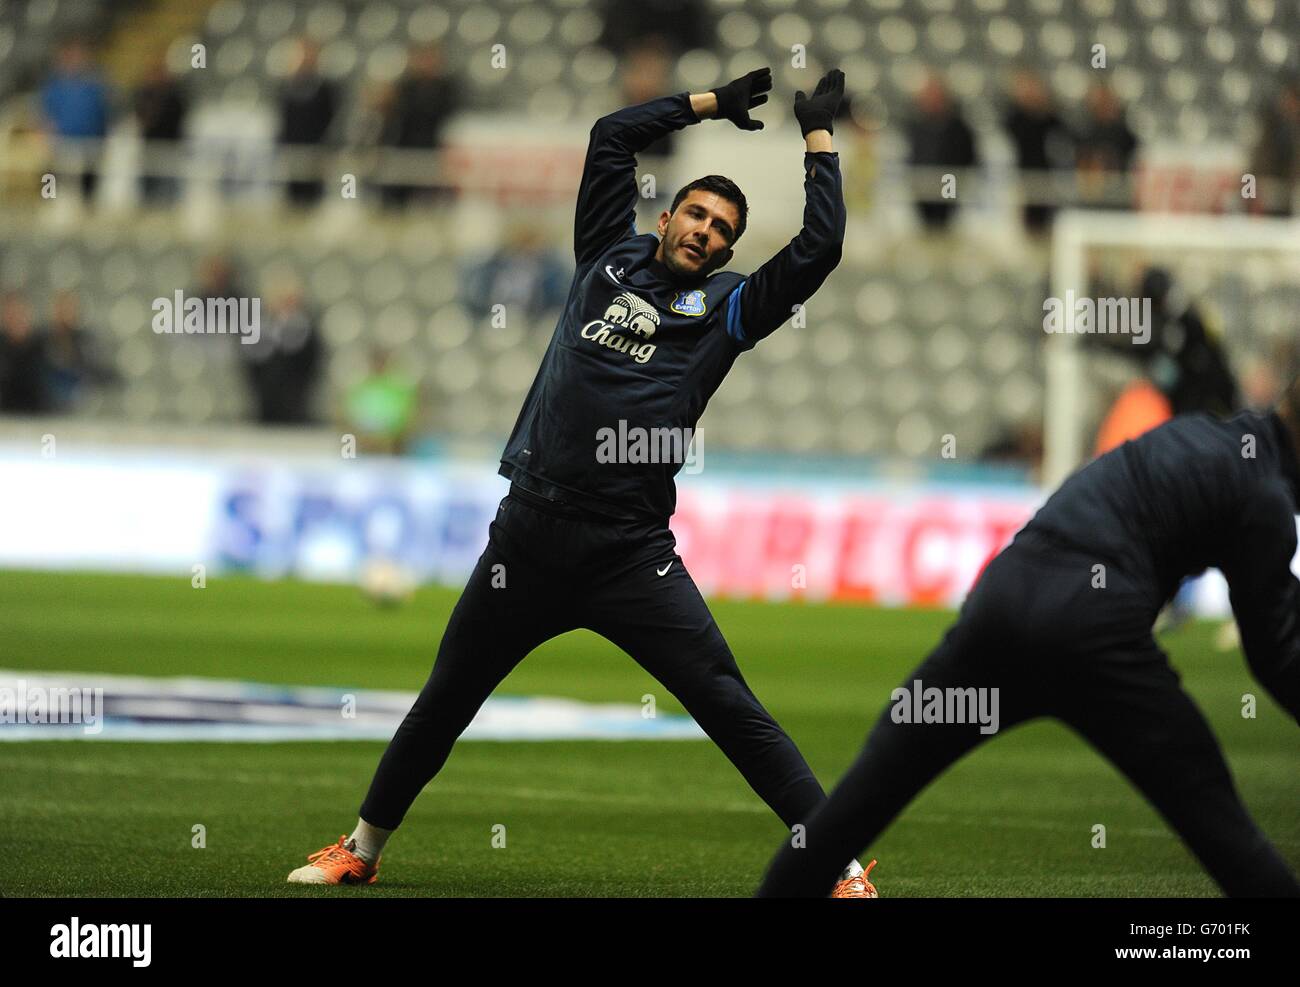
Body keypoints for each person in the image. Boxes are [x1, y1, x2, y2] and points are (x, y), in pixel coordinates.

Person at [287, 68, 878, 897]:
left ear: (729, 251)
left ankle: (840, 867)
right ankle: (360, 850)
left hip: (627, 552)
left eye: (722, 230)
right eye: (696, 215)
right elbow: (612, 135)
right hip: (526, 534)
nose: (706, 233)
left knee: (728, 706)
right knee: (446, 697)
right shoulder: (605, 252)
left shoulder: (729, 308)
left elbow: (820, 248)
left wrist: (817, 139)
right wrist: (706, 105)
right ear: (665, 217)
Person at [757, 383, 1300, 897]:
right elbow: (1276, 654)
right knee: (1219, 825)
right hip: (1094, 636)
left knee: (852, 810)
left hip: (1000, 606)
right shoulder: (1266, 498)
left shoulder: (1198, 434)